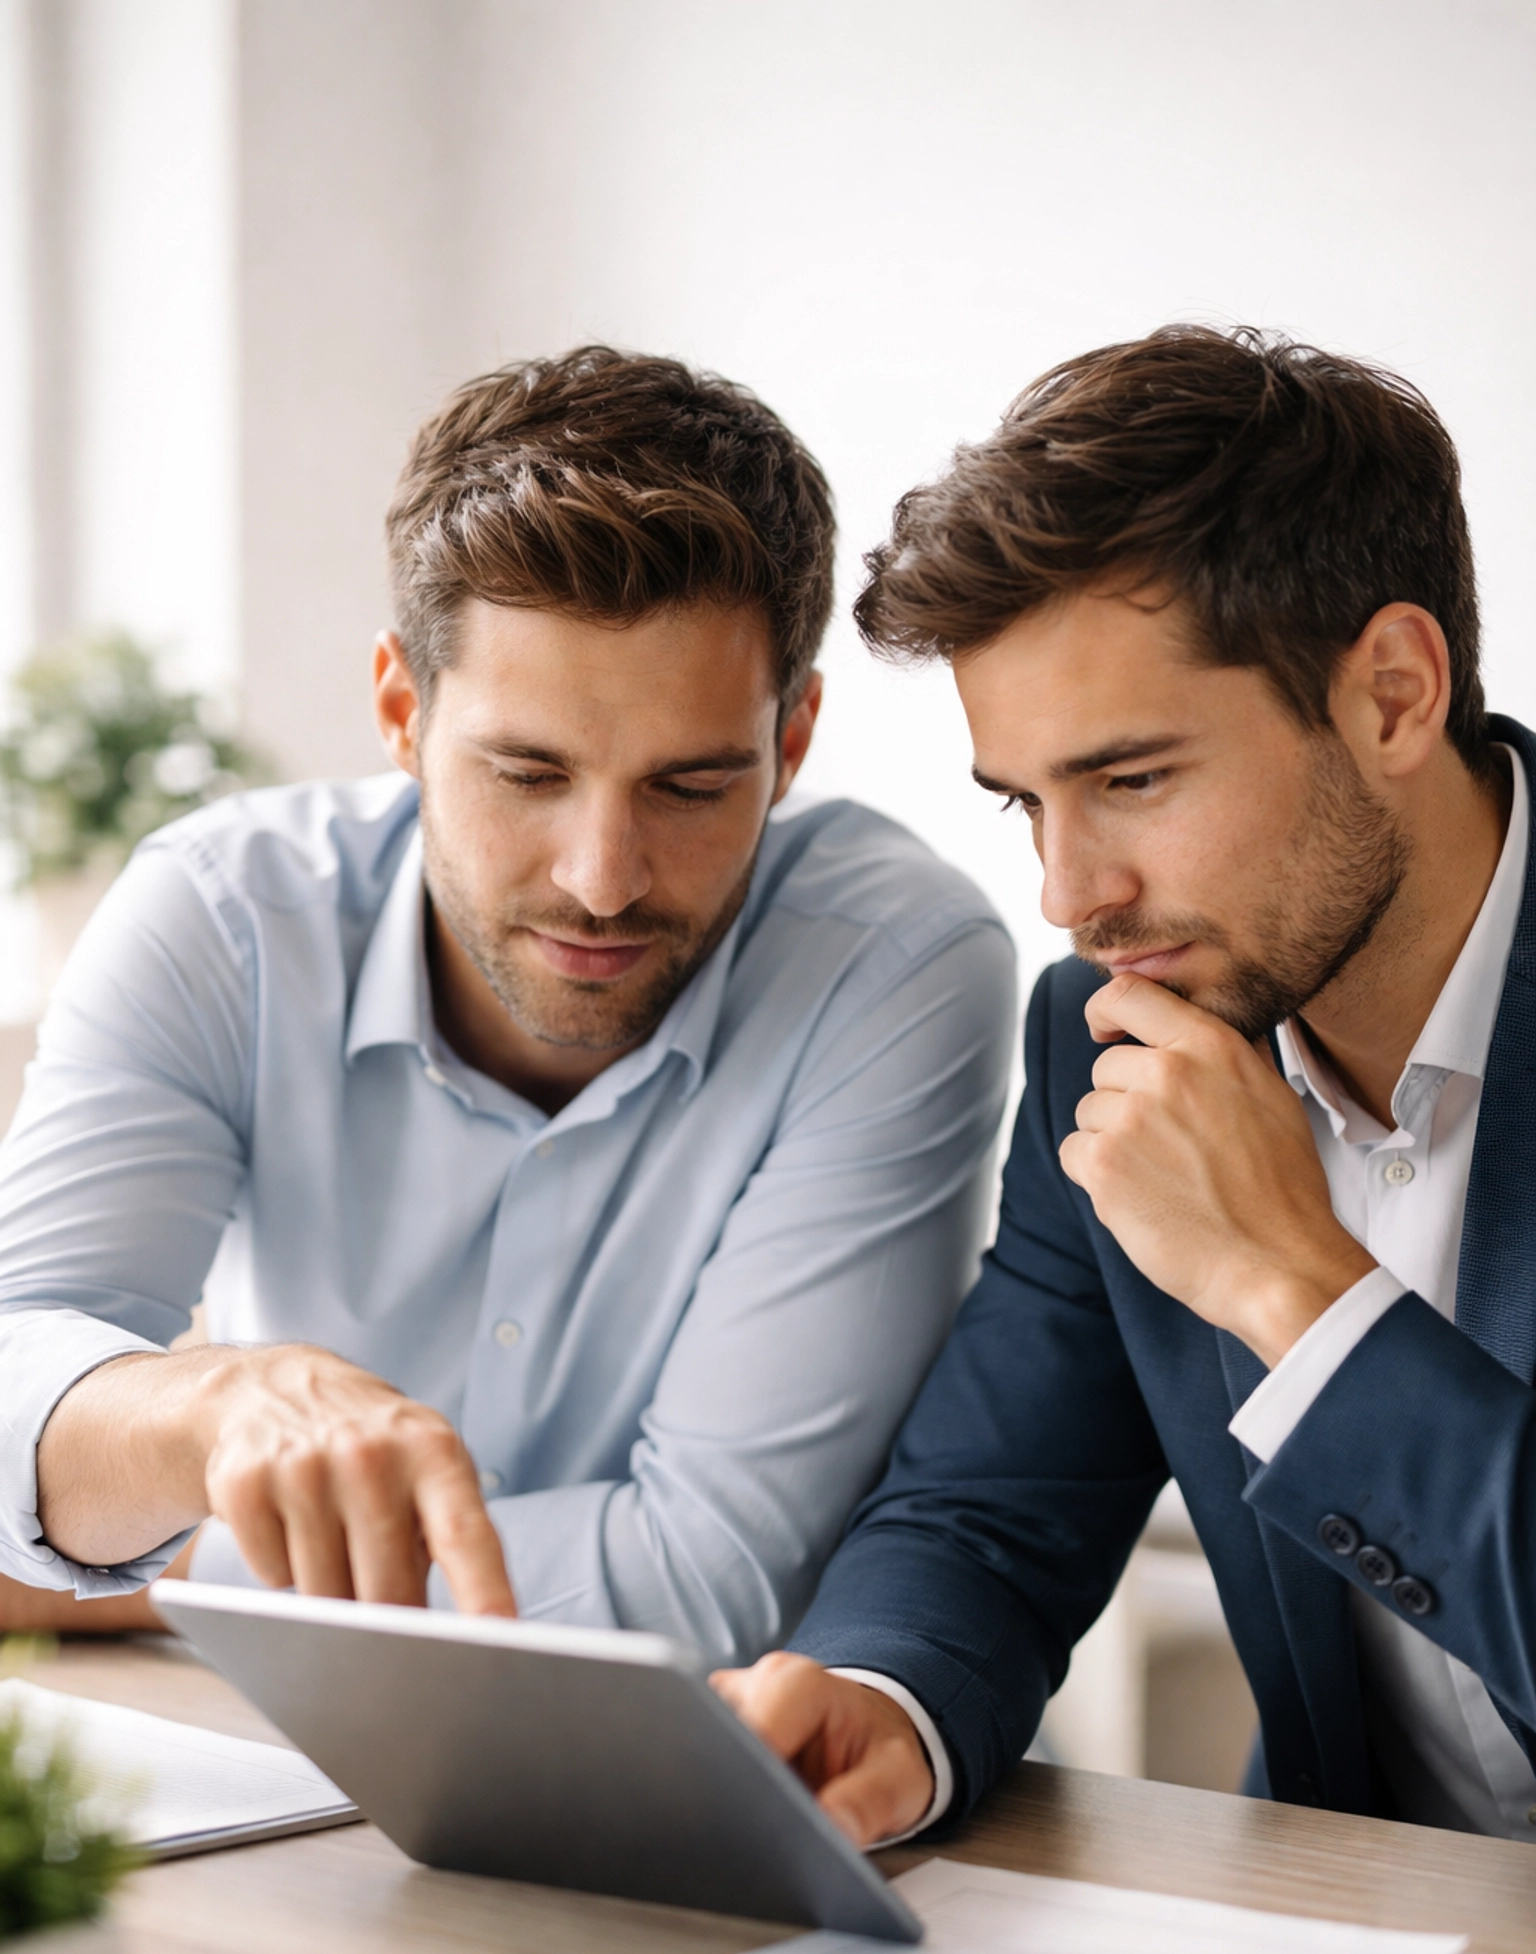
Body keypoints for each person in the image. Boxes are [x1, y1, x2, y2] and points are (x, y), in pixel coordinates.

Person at [0, 347, 1014, 1656]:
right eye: (527, 775)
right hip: (275, 1739)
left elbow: (712, 1584)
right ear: (400, 710)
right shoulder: (223, 916)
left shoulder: (896, 962)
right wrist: (212, 1412)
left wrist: (153, 1554)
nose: (601, 881)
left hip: (710, 1768)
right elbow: (21, 1361)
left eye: (692, 787)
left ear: (792, 741)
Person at [717, 325, 1536, 1851]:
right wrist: (881, 1702)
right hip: (1359, 1938)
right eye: (1026, 802)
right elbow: (991, 1508)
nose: (1069, 893)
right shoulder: (1102, 1038)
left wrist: (1298, 1290)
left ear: (1393, 694)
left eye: (1133, 779)